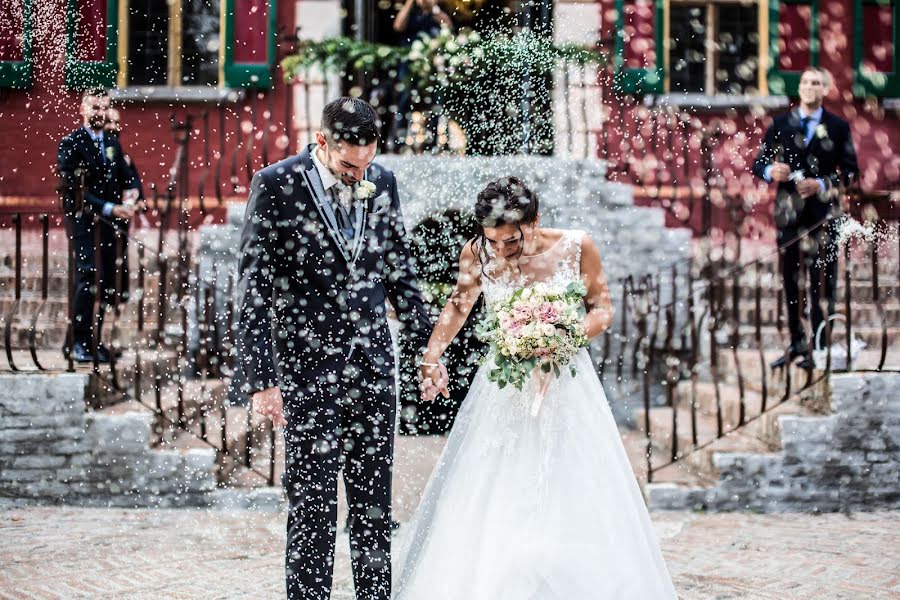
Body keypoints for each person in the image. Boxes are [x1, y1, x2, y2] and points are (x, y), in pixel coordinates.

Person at [398, 177, 678, 598]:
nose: (502, 252)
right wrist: (430, 355)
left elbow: (602, 309)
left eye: (511, 241)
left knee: (571, 479)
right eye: (493, 242)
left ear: (535, 221)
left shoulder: (577, 246)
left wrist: (563, 338)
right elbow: (459, 304)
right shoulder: (477, 253)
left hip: (567, 382)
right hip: (504, 389)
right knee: (498, 480)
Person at [236, 97, 447, 600]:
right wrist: (262, 380)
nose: (359, 174)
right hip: (306, 371)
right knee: (312, 505)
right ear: (322, 142)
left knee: (375, 503)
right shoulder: (277, 185)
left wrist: (428, 352)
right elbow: (253, 287)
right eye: (349, 165)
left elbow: (400, 272)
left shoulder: (385, 183)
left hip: (373, 368)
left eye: (367, 162)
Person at [753, 67, 859, 369]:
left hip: (824, 217)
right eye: (805, 82)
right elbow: (758, 162)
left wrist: (823, 184)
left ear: (825, 89)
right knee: (791, 281)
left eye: (816, 82)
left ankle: (821, 346)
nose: (810, 87)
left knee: (822, 282)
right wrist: (770, 171)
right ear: (799, 88)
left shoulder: (838, 127)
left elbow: (852, 172)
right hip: (789, 216)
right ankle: (798, 342)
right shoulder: (781, 124)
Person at [58, 89, 141, 363]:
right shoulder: (70, 143)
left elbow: (127, 176)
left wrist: (133, 198)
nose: (100, 113)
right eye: (95, 107)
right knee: (88, 276)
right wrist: (109, 207)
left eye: (104, 108)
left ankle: (95, 340)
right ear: (83, 109)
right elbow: (73, 190)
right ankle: (77, 341)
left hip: (109, 225)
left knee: (106, 280)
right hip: (84, 221)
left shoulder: (112, 143)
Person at [392, 0, 453, 149]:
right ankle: (399, 141)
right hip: (410, 62)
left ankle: (432, 141)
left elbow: (449, 27)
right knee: (404, 98)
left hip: (433, 63)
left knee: (436, 100)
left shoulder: (437, 12)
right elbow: (398, 26)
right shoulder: (410, 12)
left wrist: (433, 8)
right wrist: (410, 3)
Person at [104, 107, 145, 204]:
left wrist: (138, 199)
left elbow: (132, 179)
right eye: (108, 122)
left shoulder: (124, 157)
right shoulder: (91, 152)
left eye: (116, 123)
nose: (113, 127)